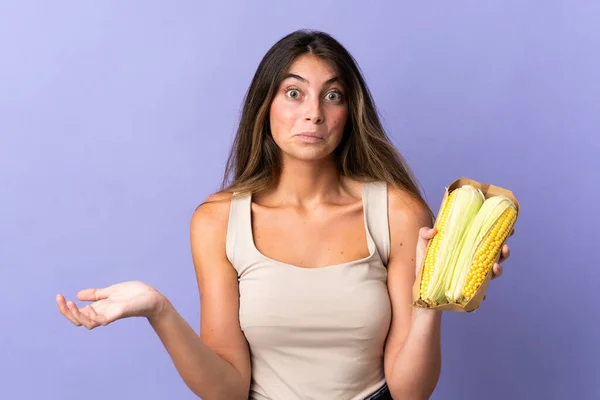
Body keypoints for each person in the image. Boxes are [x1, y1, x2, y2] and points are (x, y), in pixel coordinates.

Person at [56, 29, 513, 400]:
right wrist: (159, 310)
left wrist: (429, 301)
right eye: (294, 93)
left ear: (349, 113)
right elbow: (228, 388)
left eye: (332, 96)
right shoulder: (217, 222)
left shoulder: (396, 213)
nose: (313, 113)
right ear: (265, 108)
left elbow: (411, 392)